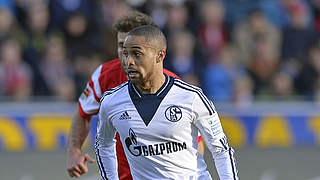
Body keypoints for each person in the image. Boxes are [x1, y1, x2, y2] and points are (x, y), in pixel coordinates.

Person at [66, 11, 204, 179]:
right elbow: (83, 114)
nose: (125, 55)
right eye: (121, 46)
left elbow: (196, 140)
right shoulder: (104, 75)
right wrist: (74, 151)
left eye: (133, 48)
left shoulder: (174, 87)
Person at [96, 25, 238, 179]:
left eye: (137, 54)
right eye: (125, 54)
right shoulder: (111, 102)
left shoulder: (191, 97)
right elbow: (103, 144)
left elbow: (220, 150)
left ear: (160, 55)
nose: (129, 61)